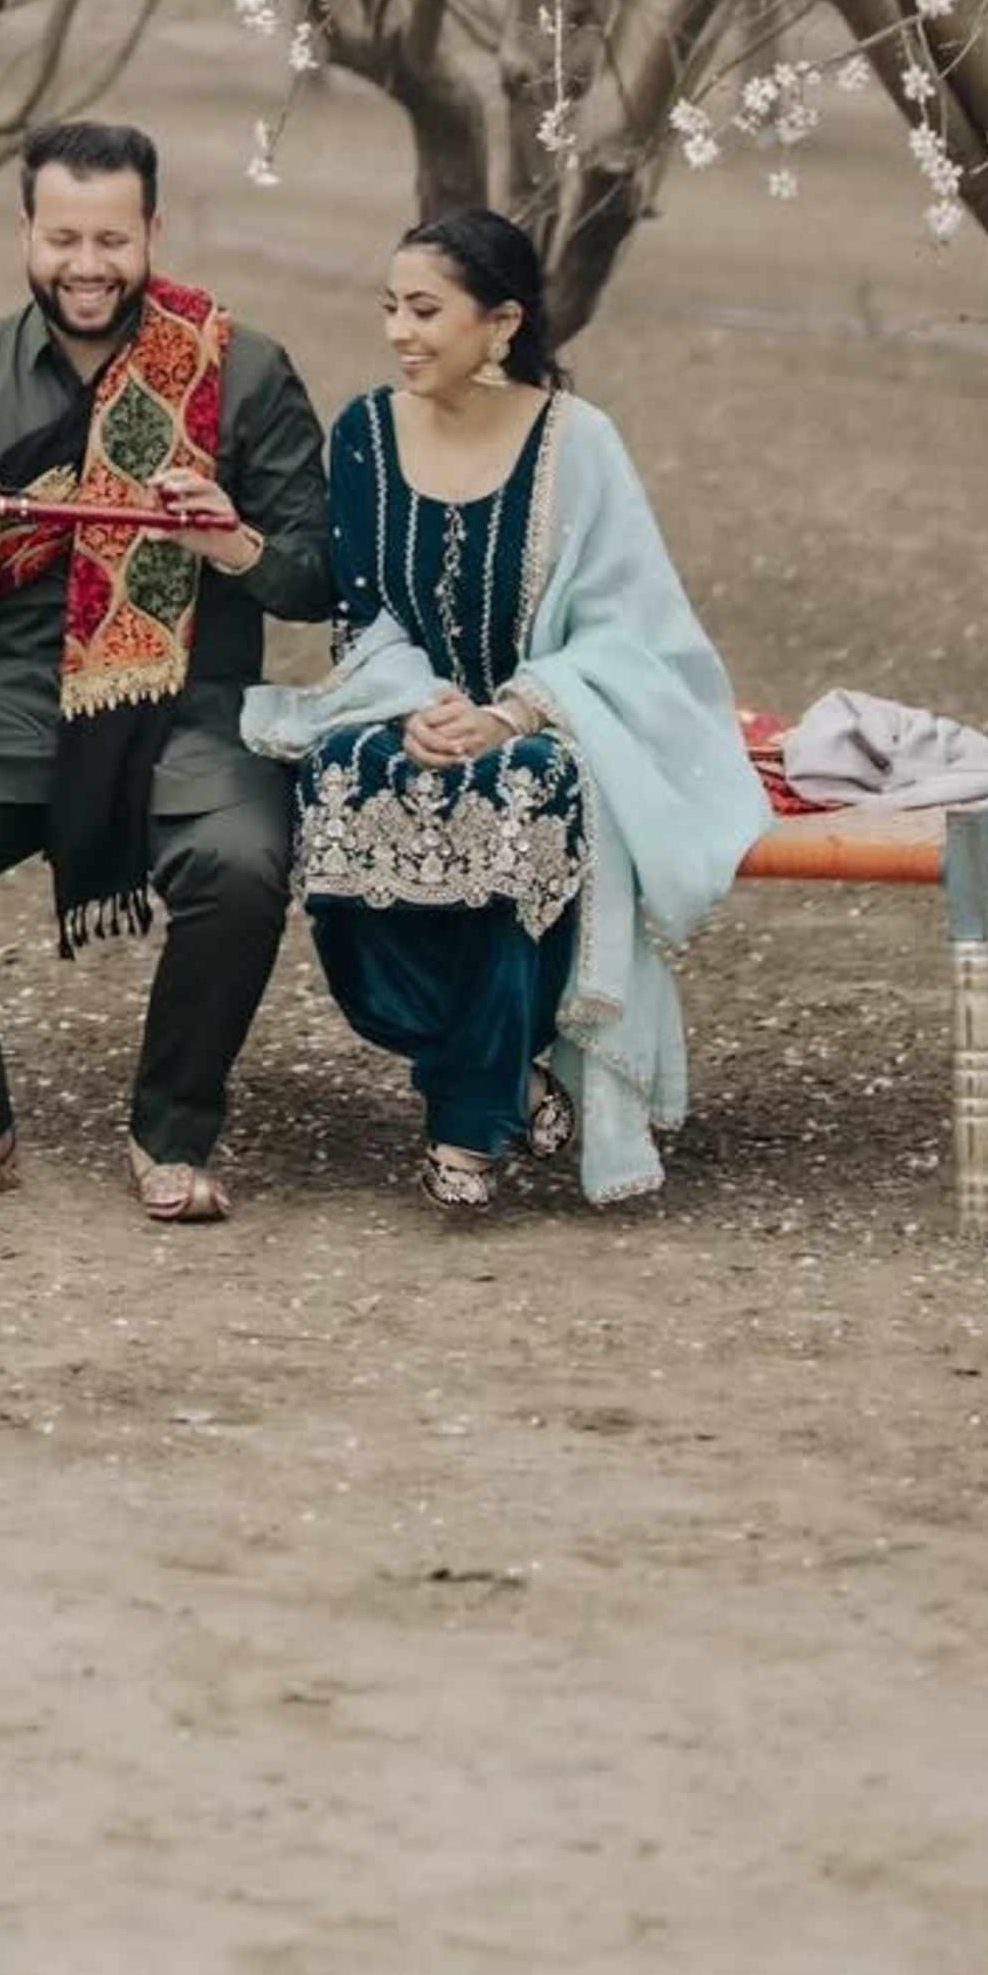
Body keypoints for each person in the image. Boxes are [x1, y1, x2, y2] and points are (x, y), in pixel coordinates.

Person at [0, 119, 328, 1224]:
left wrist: (232, 542)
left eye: (111, 238)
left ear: (151, 231)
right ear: (25, 234)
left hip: (190, 704)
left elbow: (319, 577)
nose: (86, 266)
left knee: (241, 865)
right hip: (5, 704)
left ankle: (171, 1129)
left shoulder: (242, 371)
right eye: (62, 238)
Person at [246, 203, 767, 1216]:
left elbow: (633, 627)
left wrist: (516, 712)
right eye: (391, 306)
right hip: (400, 709)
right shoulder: (360, 431)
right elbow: (363, 614)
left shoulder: (580, 445)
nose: (400, 329)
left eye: (427, 309)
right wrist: (417, 707)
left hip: (551, 727)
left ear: (501, 321)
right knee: (341, 777)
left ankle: (466, 1116)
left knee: (523, 792)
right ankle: (489, 1064)